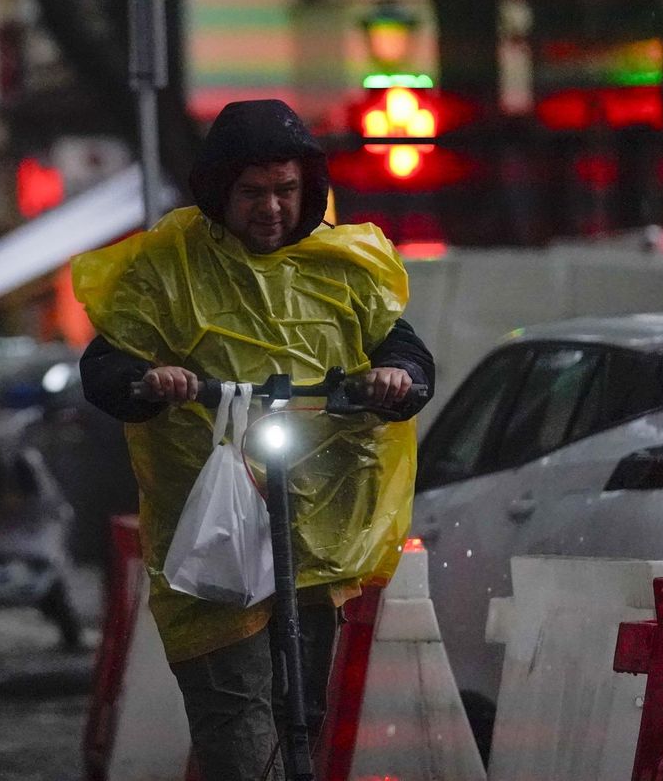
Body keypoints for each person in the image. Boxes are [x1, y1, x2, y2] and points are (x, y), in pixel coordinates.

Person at [72, 99, 434, 781]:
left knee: (303, 716)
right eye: (253, 193)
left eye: (286, 190)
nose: (271, 208)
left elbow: (406, 351)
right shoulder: (170, 268)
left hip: (316, 547)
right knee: (238, 730)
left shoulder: (345, 269)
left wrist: (397, 374)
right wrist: (151, 380)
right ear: (221, 193)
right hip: (214, 549)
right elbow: (105, 365)